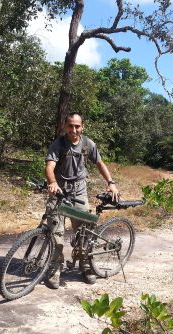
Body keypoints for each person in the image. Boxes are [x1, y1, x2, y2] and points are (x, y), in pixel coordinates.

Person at [44, 112, 119, 289]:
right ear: (65, 127)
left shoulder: (87, 144)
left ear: (82, 127)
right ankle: (55, 268)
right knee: (56, 233)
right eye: (70, 126)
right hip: (59, 191)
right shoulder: (58, 144)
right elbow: (49, 166)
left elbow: (100, 163)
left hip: (79, 192)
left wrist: (111, 183)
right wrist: (53, 182)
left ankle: (85, 265)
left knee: (84, 231)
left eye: (77, 126)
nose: (74, 129)